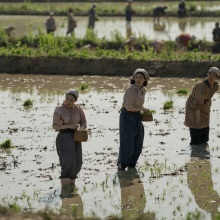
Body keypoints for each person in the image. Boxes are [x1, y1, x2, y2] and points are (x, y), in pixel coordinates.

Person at [53, 89, 87, 198]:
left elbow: (83, 122)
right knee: (68, 164)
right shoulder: (59, 110)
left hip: (76, 137)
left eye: (71, 100)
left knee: (77, 164)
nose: (68, 101)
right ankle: (64, 193)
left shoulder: (78, 109)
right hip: (64, 137)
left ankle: (71, 191)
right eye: (67, 98)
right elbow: (55, 126)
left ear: (75, 101)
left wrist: (81, 128)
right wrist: (70, 126)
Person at [117, 68, 150, 170]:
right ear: (133, 78)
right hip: (127, 116)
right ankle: (121, 166)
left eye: (141, 77)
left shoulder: (143, 90)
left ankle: (131, 166)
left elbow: (138, 105)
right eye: (136, 77)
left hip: (136, 116)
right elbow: (128, 107)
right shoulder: (131, 90)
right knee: (127, 143)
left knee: (138, 142)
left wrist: (142, 110)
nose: (138, 79)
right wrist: (142, 108)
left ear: (145, 80)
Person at [184, 67, 220, 146]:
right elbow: (197, 103)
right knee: (196, 126)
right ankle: (195, 153)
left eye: (214, 76)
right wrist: (198, 116)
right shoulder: (201, 87)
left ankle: (203, 153)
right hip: (194, 106)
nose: (211, 77)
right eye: (210, 74)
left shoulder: (215, 86)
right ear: (207, 74)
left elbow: (208, 96)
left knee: (204, 138)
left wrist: (207, 105)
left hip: (205, 106)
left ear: (217, 78)